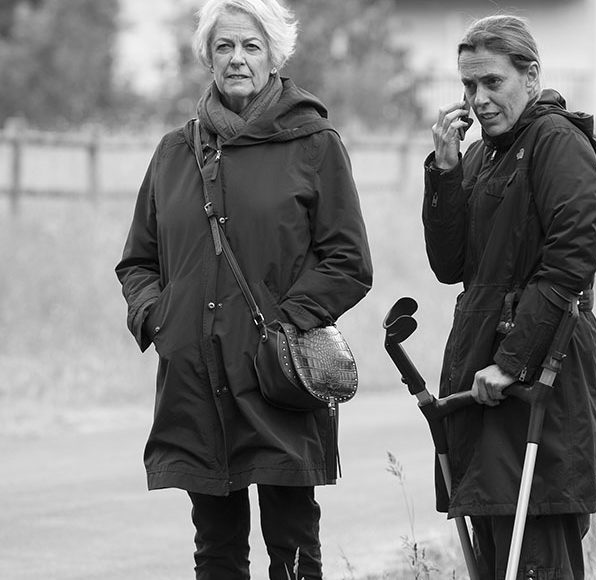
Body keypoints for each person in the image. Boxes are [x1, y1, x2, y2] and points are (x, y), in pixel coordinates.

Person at [115, 0, 372, 578]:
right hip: (195, 377)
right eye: (224, 46)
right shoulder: (174, 152)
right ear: (207, 57)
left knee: (293, 544)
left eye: (251, 46)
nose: (237, 58)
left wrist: (285, 326)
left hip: (276, 375)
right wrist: (160, 320)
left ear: (274, 56)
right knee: (215, 549)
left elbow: (348, 261)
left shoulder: (314, 143)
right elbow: (138, 261)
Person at [422, 15, 596, 580]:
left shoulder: (558, 143)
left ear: (531, 77)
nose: (478, 99)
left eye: (492, 82)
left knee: (537, 552)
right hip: (482, 376)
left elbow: (572, 260)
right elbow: (449, 266)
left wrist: (512, 363)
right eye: (468, 85)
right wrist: (445, 173)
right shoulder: (482, 155)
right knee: (496, 550)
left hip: (542, 373)